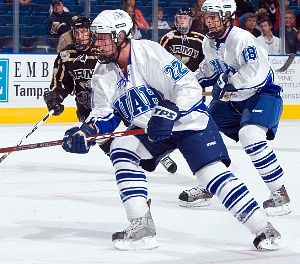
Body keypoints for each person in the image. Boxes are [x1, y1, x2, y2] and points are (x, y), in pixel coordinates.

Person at [61, 9, 281, 251]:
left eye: (103, 37)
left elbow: (188, 86)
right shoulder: (103, 74)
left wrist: (167, 112)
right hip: (152, 130)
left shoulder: (148, 53)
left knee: (210, 174)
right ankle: (142, 227)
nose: (96, 43)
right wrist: (86, 132)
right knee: (121, 148)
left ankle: (263, 228)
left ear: (121, 35)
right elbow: (104, 114)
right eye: (95, 37)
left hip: (189, 122)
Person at [179, 0, 291, 218]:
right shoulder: (209, 43)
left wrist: (231, 84)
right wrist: (184, 84)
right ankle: (211, 182)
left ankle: (279, 192)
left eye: (213, 17)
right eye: (206, 16)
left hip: (263, 93)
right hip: (233, 97)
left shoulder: (242, 39)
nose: (208, 21)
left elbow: (256, 71)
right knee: (199, 128)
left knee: (250, 135)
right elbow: (209, 70)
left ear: (227, 16)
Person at [45, 16, 177, 173]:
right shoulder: (66, 55)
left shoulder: (104, 50)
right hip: (89, 107)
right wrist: (55, 97)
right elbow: (60, 83)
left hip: (120, 97)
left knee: (140, 126)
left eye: (84, 32)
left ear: (92, 33)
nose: (81, 36)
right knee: (102, 139)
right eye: (77, 32)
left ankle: (158, 153)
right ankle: (126, 162)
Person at [160, 7, 205, 72]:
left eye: (185, 18)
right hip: (173, 76)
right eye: (180, 18)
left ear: (190, 20)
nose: (182, 20)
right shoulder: (168, 37)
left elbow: (205, 61)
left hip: (194, 76)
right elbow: (161, 59)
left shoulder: (200, 38)